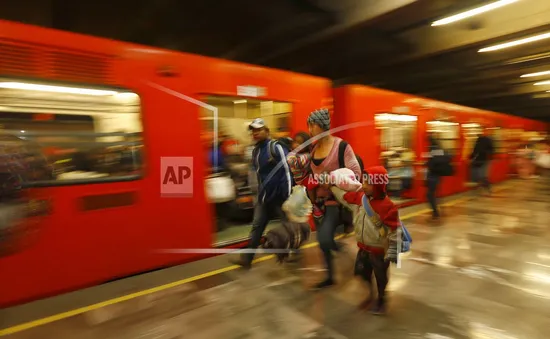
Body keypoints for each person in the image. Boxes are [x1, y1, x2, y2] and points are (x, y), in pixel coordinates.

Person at [330, 166, 400, 315]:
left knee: (381, 277)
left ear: (379, 185)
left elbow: (394, 230)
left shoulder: (388, 207)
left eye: (369, 183)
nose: (364, 185)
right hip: (363, 249)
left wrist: (393, 250)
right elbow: (344, 197)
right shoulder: (359, 199)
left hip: (379, 252)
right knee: (361, 273)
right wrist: (332, 186)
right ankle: (370, 294)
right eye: (363, 181)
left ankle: (381, 299)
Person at [305, 108, 361, 289]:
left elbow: (356, 173)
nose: (309, 130)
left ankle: (347, 253)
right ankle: (329, 276)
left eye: (311, 126)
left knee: (325, 239)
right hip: (318, 202)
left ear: (321, 126)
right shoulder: (314, 148)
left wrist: (332, 180)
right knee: (322, 242)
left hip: (335, 201)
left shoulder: (341, 146)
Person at [230, 118, 292, 269]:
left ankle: (292, 252)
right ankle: (247, 259)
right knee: (257, 227)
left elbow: (287, 170)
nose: (255, 133)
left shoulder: (275, 147)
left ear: (267, 131)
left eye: (259, 130)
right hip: (264, 198)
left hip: (280, 197)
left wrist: (288, 195)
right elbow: (258, 174)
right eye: (253, 131)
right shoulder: (256, 151)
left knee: (288, 226)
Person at [469, 128, 494, 193]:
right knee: (480, 175)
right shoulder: (483, 140)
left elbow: (476, 151)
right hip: (481, 160)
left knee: (481, 175)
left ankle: (486, 188)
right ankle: (484, 187)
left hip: (482, 160)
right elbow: (475, 150)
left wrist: (470, 158)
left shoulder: (484, 140)